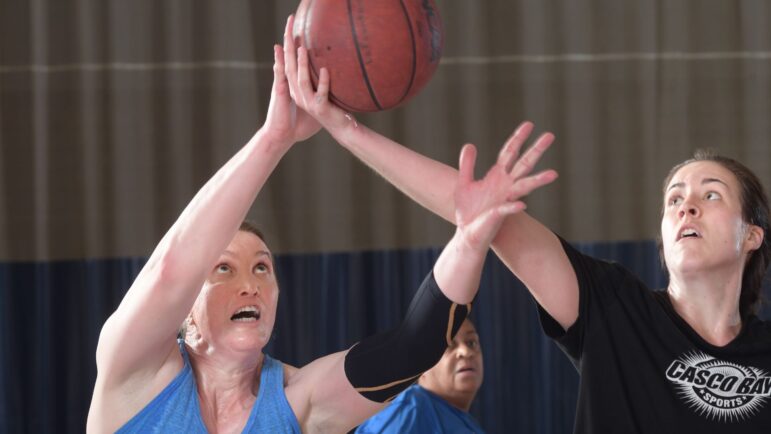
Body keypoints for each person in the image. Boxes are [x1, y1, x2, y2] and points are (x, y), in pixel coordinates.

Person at [284, 19, 771, 432]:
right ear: (662, 242)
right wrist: (346, 131)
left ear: (752, 234)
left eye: (711, 195)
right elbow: (488, 218)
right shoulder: (616, 307)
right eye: (674, 199)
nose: (686, 207)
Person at [85, 18, 557, 434]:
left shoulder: (298, 399)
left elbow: (413, 347)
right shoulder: (134, 375)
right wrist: (275, 138)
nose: (250, 284)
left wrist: (471, 241)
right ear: (186, 311)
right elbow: (170, 271)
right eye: (224, 269)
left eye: (262, 269)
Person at [355, 319, 486, 434]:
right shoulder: (410, 410)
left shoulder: (466, 422)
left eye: (472, 343)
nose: (466, 352)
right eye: (448, 345)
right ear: (420, 366)